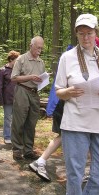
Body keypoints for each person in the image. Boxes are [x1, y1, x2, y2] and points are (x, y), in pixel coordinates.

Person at [55, 13, 99, 195]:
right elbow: (59, 90)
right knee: (75, 174)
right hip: (75, 122)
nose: (85, 37)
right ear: (76, 34)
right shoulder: (67, 58)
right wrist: (67, 92)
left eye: (89, 33)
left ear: (96, 33)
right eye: (81, 33)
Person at [29, 45, 73, 182]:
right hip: (64, 107)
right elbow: (59, 90)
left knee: (64, 136)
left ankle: (41, 161)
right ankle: (40, 161)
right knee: (65, 135)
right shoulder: (70, 62)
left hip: (65, 107)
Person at [11, 36, 45, 160]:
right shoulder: (21, 59)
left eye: (41, 48)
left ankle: (28, 150)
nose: (39, 50)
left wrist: (42, 80)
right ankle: (17, 149)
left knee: (32, 122)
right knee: (19, 121)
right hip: (22, 90)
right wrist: (30, 77)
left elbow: (40, 78)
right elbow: (13, 78)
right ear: (31, 46)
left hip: (35, 93)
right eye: (37, 47)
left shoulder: (41, 62)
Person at [0, 50, 20, 144]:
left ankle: (15, 136)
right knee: (7, 118)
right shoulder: (2, 70)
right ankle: (7, 136)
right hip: (7, 98)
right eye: (16, 60)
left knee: (17, 118)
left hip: (18, 98)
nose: (18, 63)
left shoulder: (18, 70)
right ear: (11, 59)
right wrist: (1, 100)